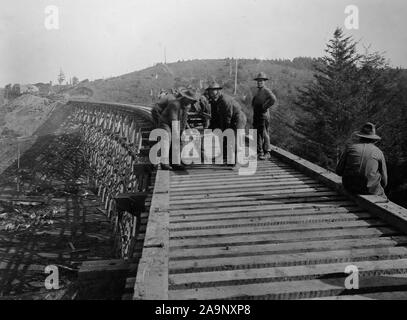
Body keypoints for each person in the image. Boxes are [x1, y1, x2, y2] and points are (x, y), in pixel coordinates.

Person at [336, 122, 388, 199]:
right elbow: (384, 181)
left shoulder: (350, 148)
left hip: (349, 187)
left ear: (360, 137)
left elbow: (339, 171)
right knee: (384, 198)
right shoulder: (379, 152)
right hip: (370, 190)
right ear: (374, 140)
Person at [206, 82, 246, 164]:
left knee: (235, 139)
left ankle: (238, 161)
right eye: (210, 91)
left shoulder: (225, 100)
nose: (211, 93)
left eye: (213, 91)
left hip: (238, 119)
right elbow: (214, 117)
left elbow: (228, 118)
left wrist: (225, 131)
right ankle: (226, 155)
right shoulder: (214, 101)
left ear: (218, 91)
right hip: (227, 119)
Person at [157, 89, 198, 170]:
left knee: (179, 140)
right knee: (167, 138)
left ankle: (175, 162)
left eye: (192, 100)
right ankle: (164, 163)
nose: (190, 101)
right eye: (189, 99)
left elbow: (184, 119)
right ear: (185, 97)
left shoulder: (187, 105)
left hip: (176, 123)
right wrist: (176, 134)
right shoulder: (175, 104)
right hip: (165, 123)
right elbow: (174, 120)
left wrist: (186, 130)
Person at [251, 72, 277, 160]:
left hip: (263, 115)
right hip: (257, 115)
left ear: (264, 81)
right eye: (258, 81)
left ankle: (267, 152)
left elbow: (273, 99)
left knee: (264, 133)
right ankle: (260, 152)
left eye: (261, 81)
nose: (259, 82)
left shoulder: (266, 90)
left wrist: (264, 107)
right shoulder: (258, 91)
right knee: (258, 133)